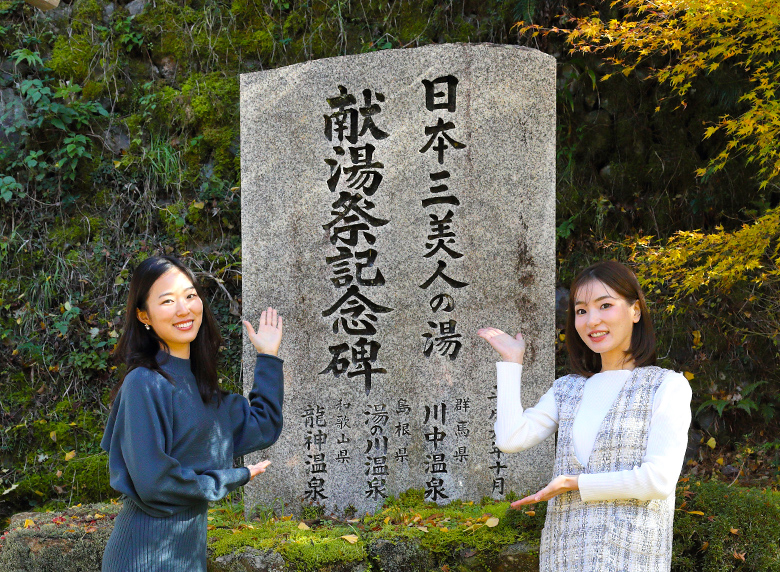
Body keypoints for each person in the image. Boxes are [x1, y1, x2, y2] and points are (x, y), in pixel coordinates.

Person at [478, 260, 692, 571]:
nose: (592, 320)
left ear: (635, 311)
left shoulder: (666, 386)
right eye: (581, 311)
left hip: (631, 558)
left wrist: (575, 483)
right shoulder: (568, 390)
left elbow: (658, 480)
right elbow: (511, 438)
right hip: (563, 555)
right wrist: (512, 363)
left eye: (605, 305)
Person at [101, 256, 284, 572]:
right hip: (142, 557)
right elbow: (155, 483)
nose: (183, 309)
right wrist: (232, 477)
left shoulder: (203, 387)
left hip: (187, 558)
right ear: (144, 315)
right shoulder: (144, 383)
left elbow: (263, 426)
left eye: (190, 295)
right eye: (168, 301)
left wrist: (267, 357)